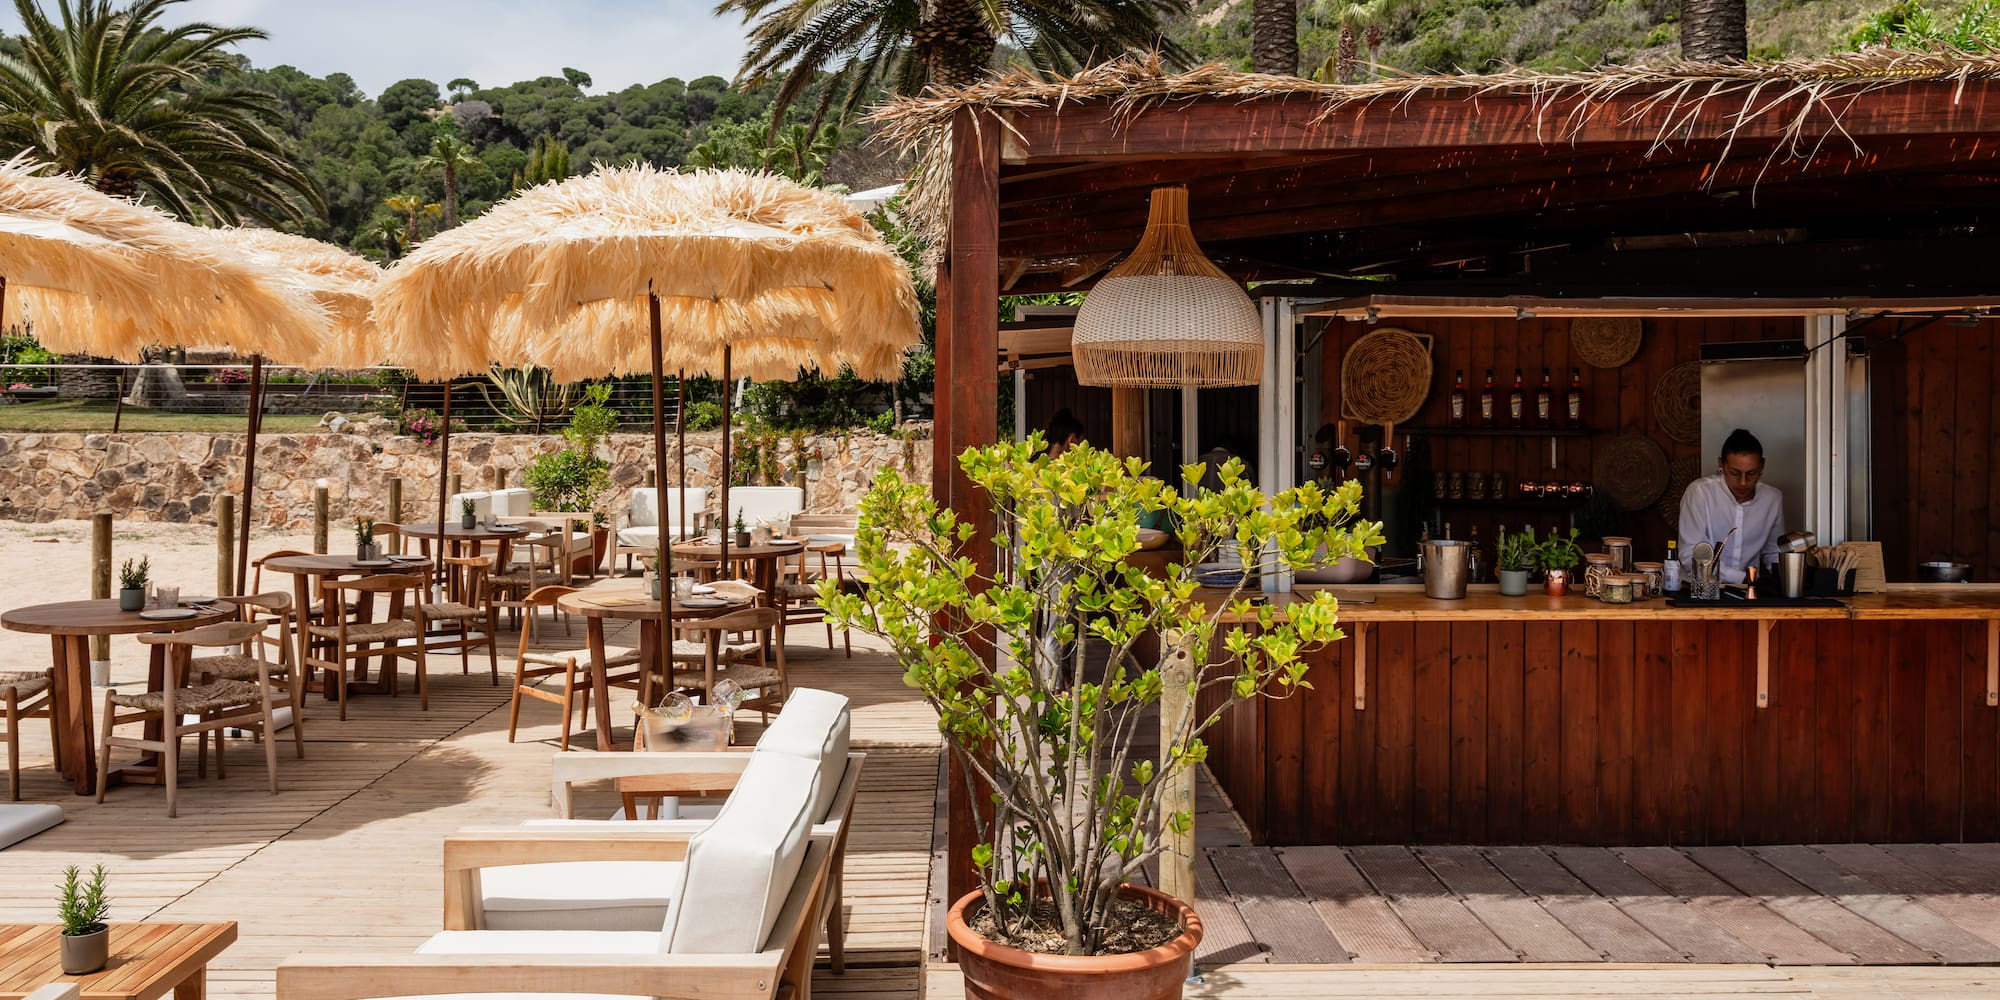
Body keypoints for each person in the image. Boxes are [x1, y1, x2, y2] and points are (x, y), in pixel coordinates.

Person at [1677, 428, 1783, 584]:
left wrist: (1789, 577)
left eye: (1751, 474)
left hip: (1748, 593)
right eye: (1735, 473)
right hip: (1698, 592)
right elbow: (1691, 555)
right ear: (1722, 464)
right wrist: (1742, 578)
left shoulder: (1772, 498)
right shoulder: (1700, 492)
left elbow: (1773, 552)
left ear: (1762, 466)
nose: (1743, 482)